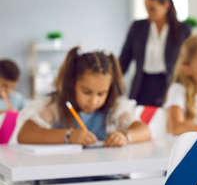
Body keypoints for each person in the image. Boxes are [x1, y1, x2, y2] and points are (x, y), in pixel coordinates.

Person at [15, 47, 151, 147]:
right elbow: (25, 134)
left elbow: (144, 131)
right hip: (61, 177)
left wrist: (124, 136)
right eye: (86, 92)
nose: (93, 101)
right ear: (72, 83)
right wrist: (68, 136)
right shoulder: (55, 106)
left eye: (101, 93)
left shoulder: (114, 109)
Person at [119, 0, 191, 106]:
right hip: (142, 85)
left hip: (168, 84)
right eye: (146, 8)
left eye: (152, 9)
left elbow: (188, 62)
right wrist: (111, 79)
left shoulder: (182, 30)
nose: (148, 13)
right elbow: (124, 59)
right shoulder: (137, 27)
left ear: (166, 6)